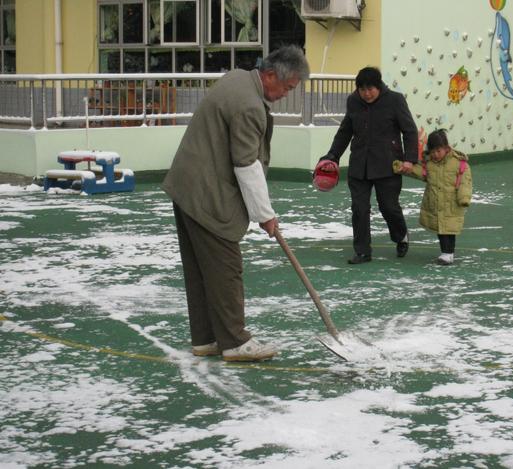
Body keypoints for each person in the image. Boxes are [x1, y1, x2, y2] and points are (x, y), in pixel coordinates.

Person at [162, 45, 309, 362]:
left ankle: (206, 339)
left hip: (187, 187)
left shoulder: (238, 78)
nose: (286, 94)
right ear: (270, 75)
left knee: (201, 269)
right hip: (208, 194)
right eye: (287, 87)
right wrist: (265, 216)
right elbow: (247, 165)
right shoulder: (249, 107)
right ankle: (234, 341)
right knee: (225, 267)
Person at [318, 66, 418, 264]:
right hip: (359, 166)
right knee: (359, 209)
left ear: (379, 86)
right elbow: (345, 131)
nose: (366, 93)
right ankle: (362, 251)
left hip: (388, 165)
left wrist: (409, 159)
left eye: (370, 89)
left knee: (389, 207)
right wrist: (332, 155)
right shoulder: (353, 101)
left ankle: (401, 236)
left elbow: (410, 130)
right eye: (362, 90)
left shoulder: (395, 100)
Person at [394, 129, 472, 265]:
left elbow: (465, 182)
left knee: (449, 229)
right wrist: (402, 167)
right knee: (441, 229)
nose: (435, 155)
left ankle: (448, 253)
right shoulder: (429, 164)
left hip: (452, 203)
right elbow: (419, 172)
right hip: (435, 201)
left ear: (446, 148)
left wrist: (464, 198)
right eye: (433, 152)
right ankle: (446, 252)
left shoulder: (459, 163)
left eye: (439, 151)